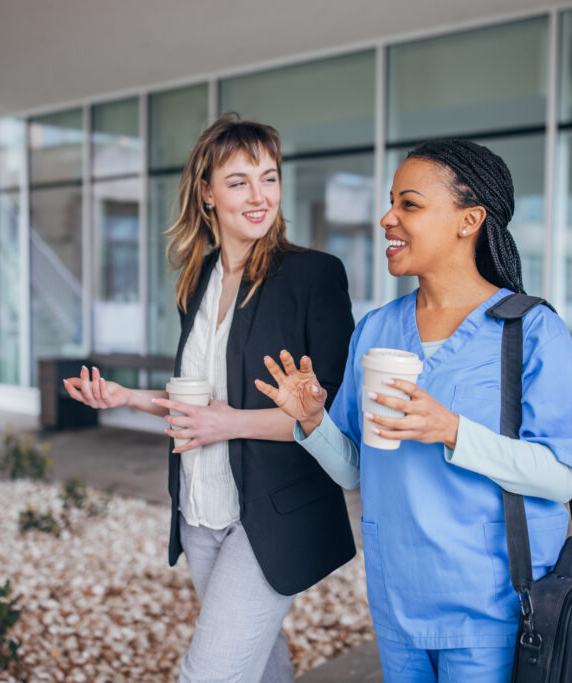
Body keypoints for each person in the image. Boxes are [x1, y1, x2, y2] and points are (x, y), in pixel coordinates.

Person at [256, 139, 572, 682]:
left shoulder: (530, 330)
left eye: (409, 204)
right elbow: (353, 468)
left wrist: (452, 430)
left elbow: (561, 478)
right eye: (391, 202)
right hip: (398, 603)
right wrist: (313, 420)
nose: (387, 218)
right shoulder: (375, 330)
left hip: (492, 610)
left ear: (469, 220)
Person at [63, 113, 356, 682]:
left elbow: (332, 418)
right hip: (200, 508)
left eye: (269, 178)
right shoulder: (198, 279)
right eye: (239, 180)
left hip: (270, 512)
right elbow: (200, 403)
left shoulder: (313, 276)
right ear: (206, 193)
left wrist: (231, 423)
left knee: (211, 673)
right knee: (259, 662)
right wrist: (127, 397)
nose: (259, 195)